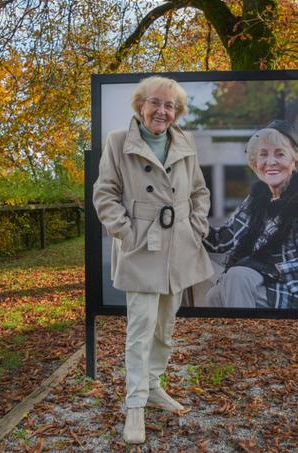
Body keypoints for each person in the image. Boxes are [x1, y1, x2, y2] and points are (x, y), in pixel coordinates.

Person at [92, 76, 213, 444]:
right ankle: (135, 407)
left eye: (170, 106)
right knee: (140, 330)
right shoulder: (118, 141)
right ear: (140, 105)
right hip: (142, 247)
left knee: (165, 326)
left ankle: (155, 385)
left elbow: (199, 191)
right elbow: (104, 195)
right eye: (155, 103)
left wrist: (196, 228)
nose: (162, 111)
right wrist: (127, 234)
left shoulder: (185, 141)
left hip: (178, 246)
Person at [203, 120, 298, 310]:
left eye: (280, 154)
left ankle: (242, 339)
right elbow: (222, 240)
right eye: (263, 155)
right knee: (214, 296)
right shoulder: (257, 198)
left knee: (237, 276)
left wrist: (273, 270)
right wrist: (188, 220)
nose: (270, 162)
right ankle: (234, 337)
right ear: (255, 163)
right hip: (262, 281)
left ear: (295, 160)